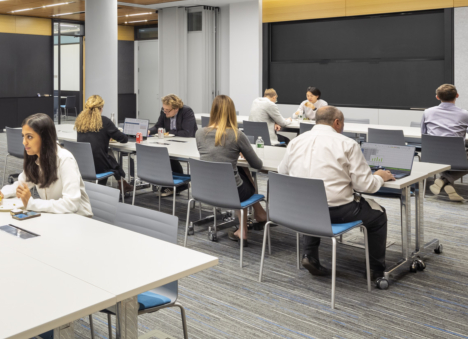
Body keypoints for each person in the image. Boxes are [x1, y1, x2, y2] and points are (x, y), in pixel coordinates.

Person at [277, 106, 393, 281]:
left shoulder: (296, 141)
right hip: (338, 212)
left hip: (301, 211)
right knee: (378, 215)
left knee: (312, 202)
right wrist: (380, 177)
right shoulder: (347, 144)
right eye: (343, 123)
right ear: (337, 122)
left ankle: (310, 255)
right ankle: (375, 270)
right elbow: (365, 186)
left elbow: (282, 171)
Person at [0, 113, 92, 216]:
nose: (24, 142)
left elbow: (71, 204)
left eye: (29, 137)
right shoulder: (35, 157)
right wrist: (2, 193)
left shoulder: (65, 159)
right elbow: (21, 186)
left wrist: (32, 203)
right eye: (23, 136)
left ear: (45, 138)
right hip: (55, 216)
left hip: (77, 219)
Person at [196, 95, 266, 243]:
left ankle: (259, 214)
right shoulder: (237, 134)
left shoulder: (200, 133)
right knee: (243, 173)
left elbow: (213, 156)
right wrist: (241, 152)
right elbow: (257, 165)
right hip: (233, 192)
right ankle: (244, 229)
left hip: (205, 189)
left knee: (238, 171)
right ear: (232, 112)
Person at [74, 95, 132, 195]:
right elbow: (123, 139)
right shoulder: (104, 121)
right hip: (98, 165)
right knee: (110, 161)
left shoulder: (80, 121)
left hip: (82, 164)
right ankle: (118, 185)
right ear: (101, 108)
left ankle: (119, 184)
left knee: (108, 157)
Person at [422, 83, 468, 202]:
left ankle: (444, 181)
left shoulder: (427, 112)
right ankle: (445, 179)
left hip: (431, 156)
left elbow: (423, 134)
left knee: (446, 155)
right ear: (457, 95)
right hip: (456, 157)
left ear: (437, 97)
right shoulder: (465, 114)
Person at [149, 94, 197, 195]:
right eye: (164, 109)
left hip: (187, 143)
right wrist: (149, 131)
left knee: (167, 155)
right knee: (161, 154)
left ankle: (176, 184)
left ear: (176, 109)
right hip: (171, 142)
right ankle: (172, 183)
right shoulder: (165, 111)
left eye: (168, 110)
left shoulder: (186, 111)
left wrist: (168, 133)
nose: (165, 112)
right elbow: (158, 126)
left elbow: (187, 133)